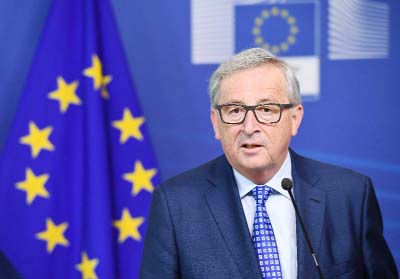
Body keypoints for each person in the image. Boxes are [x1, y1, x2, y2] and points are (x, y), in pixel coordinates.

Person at [139, 48, 398, 279]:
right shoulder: (175, 203)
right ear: (216, 123)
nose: (249, 127)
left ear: (295, 118)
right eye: (234, 110)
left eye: (266, 110)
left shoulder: (350, 194)